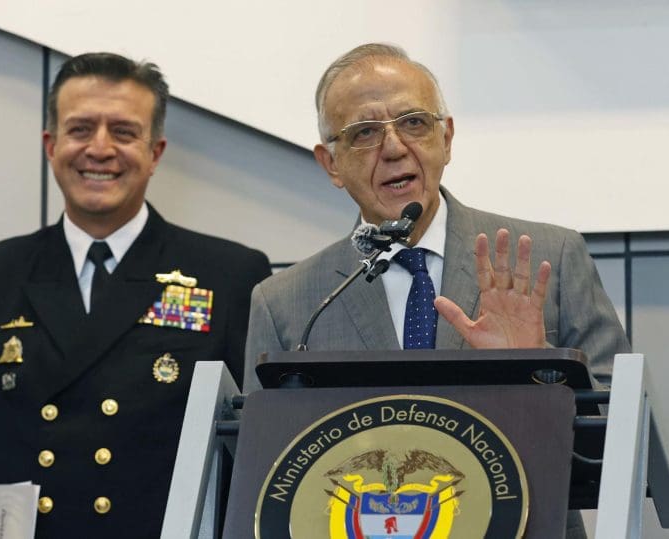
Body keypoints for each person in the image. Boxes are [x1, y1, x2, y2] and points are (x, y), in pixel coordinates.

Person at [243, 42, 627, 539]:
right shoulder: (288, 303)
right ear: (331, 164)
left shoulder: (547, 258)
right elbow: (265, 475)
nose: (395, 147)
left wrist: (541, 378)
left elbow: (619, 443)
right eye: (364, 133)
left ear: (446, 138)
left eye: (414, 123)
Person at [0, 52, 271, 538]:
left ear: (155, 152)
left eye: (123, 132)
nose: (100, 149)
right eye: (81, 129)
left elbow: (254, 454)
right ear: (50, 144)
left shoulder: (229, 276)